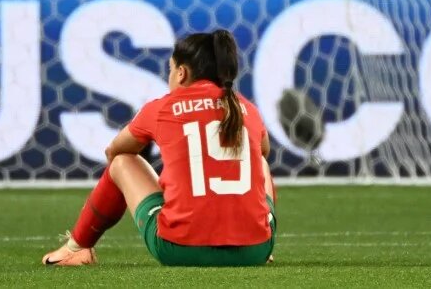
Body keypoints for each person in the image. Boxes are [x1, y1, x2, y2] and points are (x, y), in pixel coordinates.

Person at [42, 30, 276, 267]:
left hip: (179, 250)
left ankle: (77, 248)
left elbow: (113, 152)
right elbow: (263, 153)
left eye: (171, 69)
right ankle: (266, 251)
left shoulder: (162, 108)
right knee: (261, 161)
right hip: (254, 251)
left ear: (181, 73)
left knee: (123, 161)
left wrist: (169, 185)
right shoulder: (247, 109)